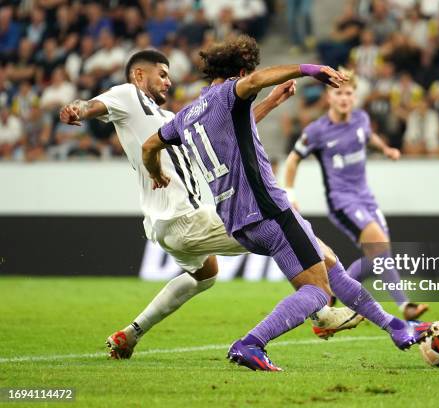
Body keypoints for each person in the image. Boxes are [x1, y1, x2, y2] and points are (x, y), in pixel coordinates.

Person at [141, 35, 431, 371]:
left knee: (329, 264)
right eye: (248, 74)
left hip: (238, 222)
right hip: (269, 210)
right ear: (239, 72)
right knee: (319, 292)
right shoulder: (230, 93)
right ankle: (250, 343)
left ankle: (396, 327)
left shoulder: (188, 114)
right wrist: (310, 69)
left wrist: (155, 173)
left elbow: (150, 146)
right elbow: (257, 81)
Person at [59, 50, 361, 360]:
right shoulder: (127, 95)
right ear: (139, 75)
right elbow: (92, 105)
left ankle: (130, 334)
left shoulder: (170, 119)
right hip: (186, 219)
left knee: (207, 273)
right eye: (161, 74)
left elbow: (223, 133)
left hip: (164, 225)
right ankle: (321, 313)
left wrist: (270, 102)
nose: (168, 80)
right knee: (290, 228)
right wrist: (77, 110)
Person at [284, 68, 429, 321]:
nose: (344, 98)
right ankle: (405, 306)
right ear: (329, 97)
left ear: (354, 97)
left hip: (366, 198)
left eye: (349, 93)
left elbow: (369, 137)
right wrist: (290, 193)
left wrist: (386, 149)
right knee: (379, 246)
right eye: (338, 93)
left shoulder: (361, 119)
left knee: (380, 257)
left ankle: (334, 293)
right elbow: (293, 159)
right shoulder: (317, 131)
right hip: (342, 200)